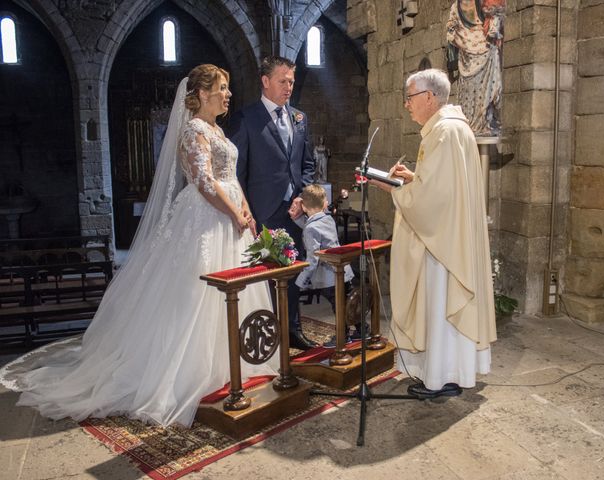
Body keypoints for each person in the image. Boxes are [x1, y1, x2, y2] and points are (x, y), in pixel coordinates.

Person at [0, 65, 278, 428]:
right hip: (206, 219)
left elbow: (230, 180)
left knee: (234, 291)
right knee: (198, 294)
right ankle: (191, 371)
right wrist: (233, 214)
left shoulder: (217, 129)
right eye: (222, 88)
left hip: (231, 217)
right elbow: (205, 183)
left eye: (227, 87)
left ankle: (232, 364)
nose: (228, 94)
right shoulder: (194, 129)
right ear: (203, 94)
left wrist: (247, 213)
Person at [370, 68, 497, 399]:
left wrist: (391, 186)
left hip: (443, 246)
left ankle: (441, 378)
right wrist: (414, 178)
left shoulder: (444, 131)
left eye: (410, 97)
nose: (407, 105)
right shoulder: (451, 128)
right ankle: (447, 373)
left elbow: (434, 199)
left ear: (429, 97)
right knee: (442, 310)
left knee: (441, 306)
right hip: (449, 235)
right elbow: (442, 185)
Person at [228, 55, 316, 350]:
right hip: (262, 211)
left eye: (291, 81)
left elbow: (307, 164)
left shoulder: (300, 118)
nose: (288, 86)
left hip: (294, 211)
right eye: (282, 81)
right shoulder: (246, 118)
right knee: (266, 277)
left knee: (293, 273)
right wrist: (247, 213)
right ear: (265, 82)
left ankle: (293, 329)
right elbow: (237, 172)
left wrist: (303, 197)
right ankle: (268, 334)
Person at [289, 185, 362, 347]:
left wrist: (301, 281)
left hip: (328, 277)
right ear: (324, 204)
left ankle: (342, 336)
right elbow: (313, 227)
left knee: (338, 306)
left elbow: (313, 258)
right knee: (349, 302)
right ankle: (362, 329)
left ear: (304, 207)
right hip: (343, 270)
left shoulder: (311, 228)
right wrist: (298, 220)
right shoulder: (328, 219)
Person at [446, 0, 504, 136]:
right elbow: (452, 26)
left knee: (486, 91)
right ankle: (470, 125)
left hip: (486, 50)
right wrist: (451, 31)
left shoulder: (483, 3)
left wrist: (493, 27)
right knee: (468, 92)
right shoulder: (455, 7)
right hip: (466, 54)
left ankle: (485, 123)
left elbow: (495, 16)